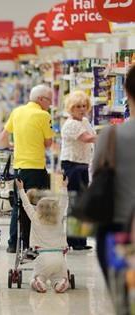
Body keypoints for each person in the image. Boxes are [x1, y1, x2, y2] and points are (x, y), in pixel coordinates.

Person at [0, 84, 55, 253]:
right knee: (37, 206)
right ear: (40, 99)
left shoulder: (17, 112)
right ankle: (32, 243)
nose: (50, 104)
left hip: (19, 168)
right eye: (49, 100)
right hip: (36, 168)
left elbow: (2, 138)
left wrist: (15, 145)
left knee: (18, 205)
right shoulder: (43, 115)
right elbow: (48, 143)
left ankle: (13, 243)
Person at [94, 65, 135, 283]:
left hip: (117, 229)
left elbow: (96, 176)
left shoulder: (110, 135)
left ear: (126, 91)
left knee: (125, 299)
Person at [16, 178, 69, 293]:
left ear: (39, 209)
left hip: (43, 257)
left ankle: (38, 281)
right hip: (59, 257)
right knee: (58, 277)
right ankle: (61, 283)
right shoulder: (59, 217)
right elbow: (64, 203)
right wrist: (64, 187)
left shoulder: (35, 219)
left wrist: (21, 189)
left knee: (38, 276)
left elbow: (26, 205)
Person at [60, 90, 96, 250]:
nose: (81, 109)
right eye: (77, 106)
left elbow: (91, 137)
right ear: (71, 108)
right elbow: (87, 138)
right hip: (72, 165)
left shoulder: (84, 121)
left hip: (82, 164)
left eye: (84, 106)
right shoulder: (71, 124)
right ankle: (73, 240)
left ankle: (81, 240)